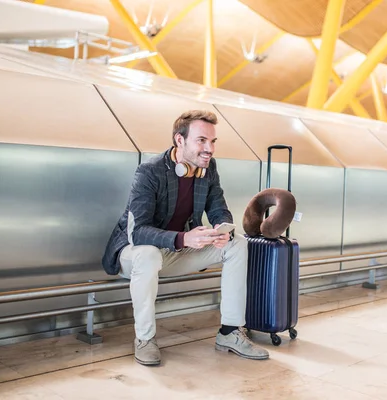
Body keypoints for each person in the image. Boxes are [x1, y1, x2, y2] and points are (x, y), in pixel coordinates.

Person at [101, 110, 269, 366]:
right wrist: (183, 239)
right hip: (134, 253)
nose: (209, 148)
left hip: (176, 252)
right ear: (180, 140)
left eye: (212, 142)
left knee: (238, 244)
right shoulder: (149, 172)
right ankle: (144, 339)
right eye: (201, 140)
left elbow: (217, 206)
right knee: (148, 253)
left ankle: (230, 332)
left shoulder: (207, 168)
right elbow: (139, 232)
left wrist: (221, 230)